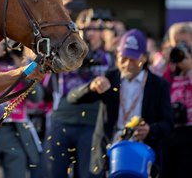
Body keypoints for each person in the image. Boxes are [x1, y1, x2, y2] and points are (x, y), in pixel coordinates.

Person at [67, 29, 173, 177]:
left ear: (144, 57)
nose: (128, 64)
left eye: (134, 59)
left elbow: (168, 124)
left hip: (142, 155)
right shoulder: (109, 77)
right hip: (108, 154)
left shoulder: (158, 85)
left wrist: (150, 129)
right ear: (117, 55)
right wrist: (91, 87)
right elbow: (72, 98)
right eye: (124, 58)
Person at [42, 8, 113, 178]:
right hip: (62, 121)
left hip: (92, 124)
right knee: (55, 173)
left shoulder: (109, 58)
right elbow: (46, 84)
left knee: (89, 174)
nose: (91, 34)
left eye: (96, 30)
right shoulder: (63, 52)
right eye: (87, 29)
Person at [0, 40, 44, 178]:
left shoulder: (23, 67)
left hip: (15, 131)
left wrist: (27, 70)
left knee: (17, 172)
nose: (9, 50)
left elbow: (37, 98)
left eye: (14, 47)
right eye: (4, 45)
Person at [162, 22, 192, 178]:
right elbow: (155, 85)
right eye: (177, 43)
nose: (180, 47)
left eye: (185, 43)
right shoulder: (167, 64)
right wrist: (165, 62)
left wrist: (190, 68)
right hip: (170, 127)